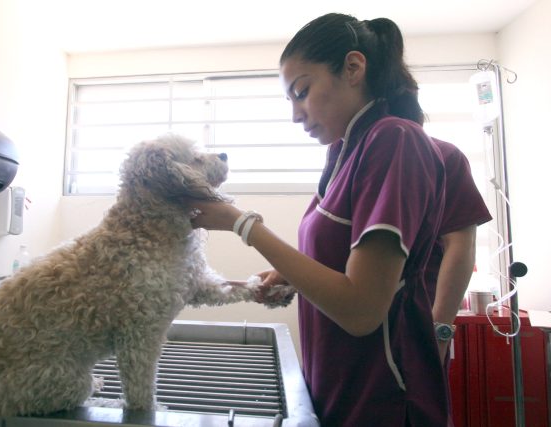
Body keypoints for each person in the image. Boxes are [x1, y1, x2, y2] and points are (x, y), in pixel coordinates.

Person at [190, 13, 449, 426]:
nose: (296, 114)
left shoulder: (394, 140)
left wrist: (242, 224)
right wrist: (293, 277)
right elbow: (345, 266)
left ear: (353, 68)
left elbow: (362, 309)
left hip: (381, 394)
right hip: (337, 383)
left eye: (303, 91)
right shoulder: (344, 153)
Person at [426, 137, 492, 427]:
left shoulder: (442, 156)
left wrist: (439, 332)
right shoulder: (343, 155)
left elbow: (460, 245)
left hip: (415, 323)